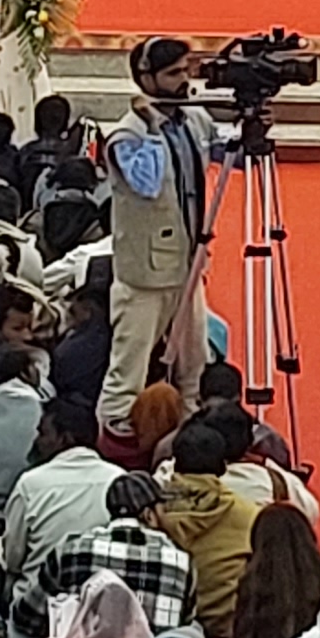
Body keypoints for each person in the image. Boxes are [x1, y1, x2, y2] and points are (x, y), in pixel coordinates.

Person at [100, 40, 212, 438]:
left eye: (186, 71)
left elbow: (221, 148)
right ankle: (114, 436)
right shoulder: (125, 134)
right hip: (144, 273)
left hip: (188, 259)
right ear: (146, 77)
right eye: (174, 73)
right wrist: (151, 126)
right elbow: (145, 184)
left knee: (195, 361)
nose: (184, 81)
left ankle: (194, 431)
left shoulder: (193, 118)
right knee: (128, 366)